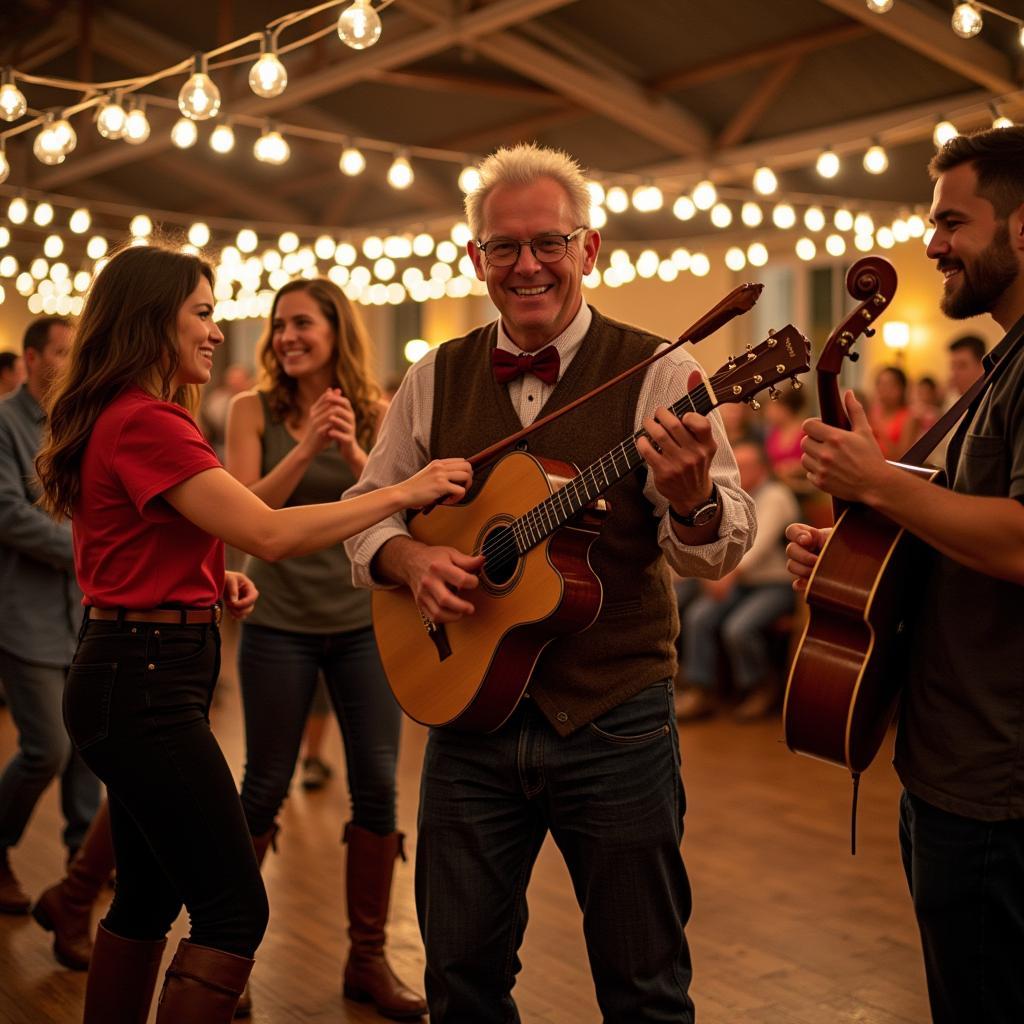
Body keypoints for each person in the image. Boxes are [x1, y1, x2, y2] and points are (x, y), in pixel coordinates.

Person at [344, 143, 756, 1023]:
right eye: (504, 247)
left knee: (644, 987)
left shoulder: (665, 374)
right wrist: (410, 559)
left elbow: (717, 552)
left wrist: (690, 506)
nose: (527, 264)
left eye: (548, 243)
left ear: (589, 250)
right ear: (476, 260)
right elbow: (362, 513)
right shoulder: (433, 377)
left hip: (615, 722)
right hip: (467, 723)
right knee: (460, 981)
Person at [34, 242, 472, 1024]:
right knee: (235, 912)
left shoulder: (128, 414)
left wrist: (203, 580)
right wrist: (400, 490)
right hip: (143, 682)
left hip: (133, 665)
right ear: (151, 322)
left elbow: (143, 535)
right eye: (203, 314)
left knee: (144, 898)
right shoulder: (150, 422)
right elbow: (267, 531)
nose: (216, 331)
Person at [786, 126, 1024, 1024]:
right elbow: (961, 532)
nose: (931, 245)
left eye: (952, 222)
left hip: (999, 778)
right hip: (949, 755)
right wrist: (865, 550)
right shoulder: (1002, 362)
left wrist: (877, 482)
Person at [224, 277, 426, 1020]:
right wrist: (309, 444)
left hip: (365, 622)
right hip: (279, 620)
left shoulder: (377, 407)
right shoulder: (254, 410)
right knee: (265, 785)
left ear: (337, 330)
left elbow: (401, 504)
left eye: (302, 323)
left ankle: (367, 959)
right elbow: (247, 513)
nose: (287, 337)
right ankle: (227, 957)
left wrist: (353, 443)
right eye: (280, 325)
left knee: (377, 784)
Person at [0, 317, 103, 928]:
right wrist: (90, 548)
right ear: (32, 357)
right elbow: (8, 514)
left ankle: (78, 871)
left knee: (89, 747)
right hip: (25, 614)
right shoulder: (5, 423)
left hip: (83, 612)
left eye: (75, 353)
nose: (68, 364)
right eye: (59, 353)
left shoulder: (78, 422)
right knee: (46, 748)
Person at [675, 440, 799, 722]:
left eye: (746, 466)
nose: (739, 472)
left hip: (776, 585)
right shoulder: (737, 496)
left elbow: (760, 544)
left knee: (738, 628)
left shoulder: (776, 495)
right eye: (736, 465)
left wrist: (726, 574)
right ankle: (700, 690)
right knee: (698, 616)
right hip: (740, 583)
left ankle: (761, 688)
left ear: (762, 468)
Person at [868, 365, 918, 460]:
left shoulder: (909, 418)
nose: (882, 389)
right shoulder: (872, 411)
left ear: (901, 388)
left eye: (888, 384)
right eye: (880, 384)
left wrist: (879, 432)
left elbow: (904, 458)